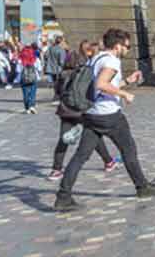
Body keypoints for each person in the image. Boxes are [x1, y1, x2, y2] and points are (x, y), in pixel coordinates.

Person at [54, 28, 155, 213]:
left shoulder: (96, 58)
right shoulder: (112, 60)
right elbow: (101, 84)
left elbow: (102, 85)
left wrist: (127, 81)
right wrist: (124, 94)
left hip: (92, 114)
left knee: (80, 156)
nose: (127, 50)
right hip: (109, 115)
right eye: (126, 46)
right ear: (117, 46)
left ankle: (63, 196)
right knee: (128, 149)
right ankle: (142, 187)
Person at [49, 40, 117, 181]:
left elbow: (58, 90)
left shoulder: (67, 69)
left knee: (64, 139)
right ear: (90, 51)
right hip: (83, 109)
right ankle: (109, 161)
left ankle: (56, 169)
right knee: (93, 137)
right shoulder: (90, 68)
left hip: (67, 109)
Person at [19, 43, 41, 113]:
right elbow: (39, 69)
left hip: (23, 78)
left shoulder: (20, 59)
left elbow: (18, 70)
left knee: (25, 93)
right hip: (34, 77)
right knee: (32, 92)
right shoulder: (35, 58)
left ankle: (27, 108)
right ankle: (32, 106)